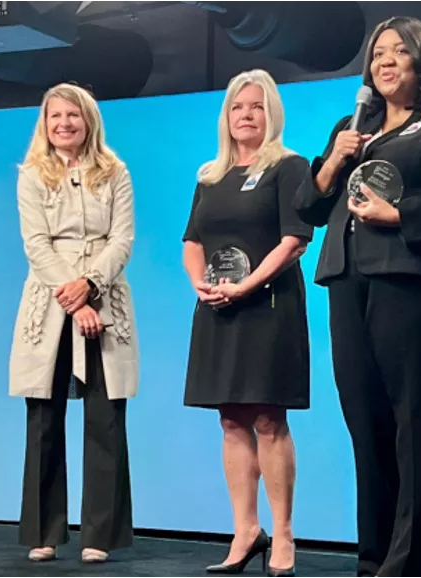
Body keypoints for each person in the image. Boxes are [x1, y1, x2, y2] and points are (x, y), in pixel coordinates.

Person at [293, 16, 421, 578]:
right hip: (349, 279)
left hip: (420, 280)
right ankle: (374, 559)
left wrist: (400, 213)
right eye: (377, 54)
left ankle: (413, 564)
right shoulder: (352, 126)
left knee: (415, 419)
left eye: (397, 52)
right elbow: (308, 209)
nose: (384, 62)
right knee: (367, 421)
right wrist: (335, 159)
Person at [182, 69, 314, 578]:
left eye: (257, 107)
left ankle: (282, 535)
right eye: (239, 107)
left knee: (267, 419)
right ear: (227, 117)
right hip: (218, 306)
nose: (246, 115)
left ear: (271, 114)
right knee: (231, 419)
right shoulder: (210, 176)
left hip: (268, 306)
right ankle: (245, 530)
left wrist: (248, 284)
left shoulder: (289, 167)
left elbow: (294, 239)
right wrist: (202, 284)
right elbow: (192, 242)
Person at [8, 82, 139, 564]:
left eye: (73, 116)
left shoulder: (115, 171)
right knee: (44, 417)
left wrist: (91, 286)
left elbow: (122, 239)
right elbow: (35, 243)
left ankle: (99, 535)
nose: (64, 124)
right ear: (45, 123)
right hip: (50, 299)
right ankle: (43, 532)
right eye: (55, 116)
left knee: (106, 417)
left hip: (104, 296)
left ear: (89, 121)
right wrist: (74, 297)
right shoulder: (31, 174)